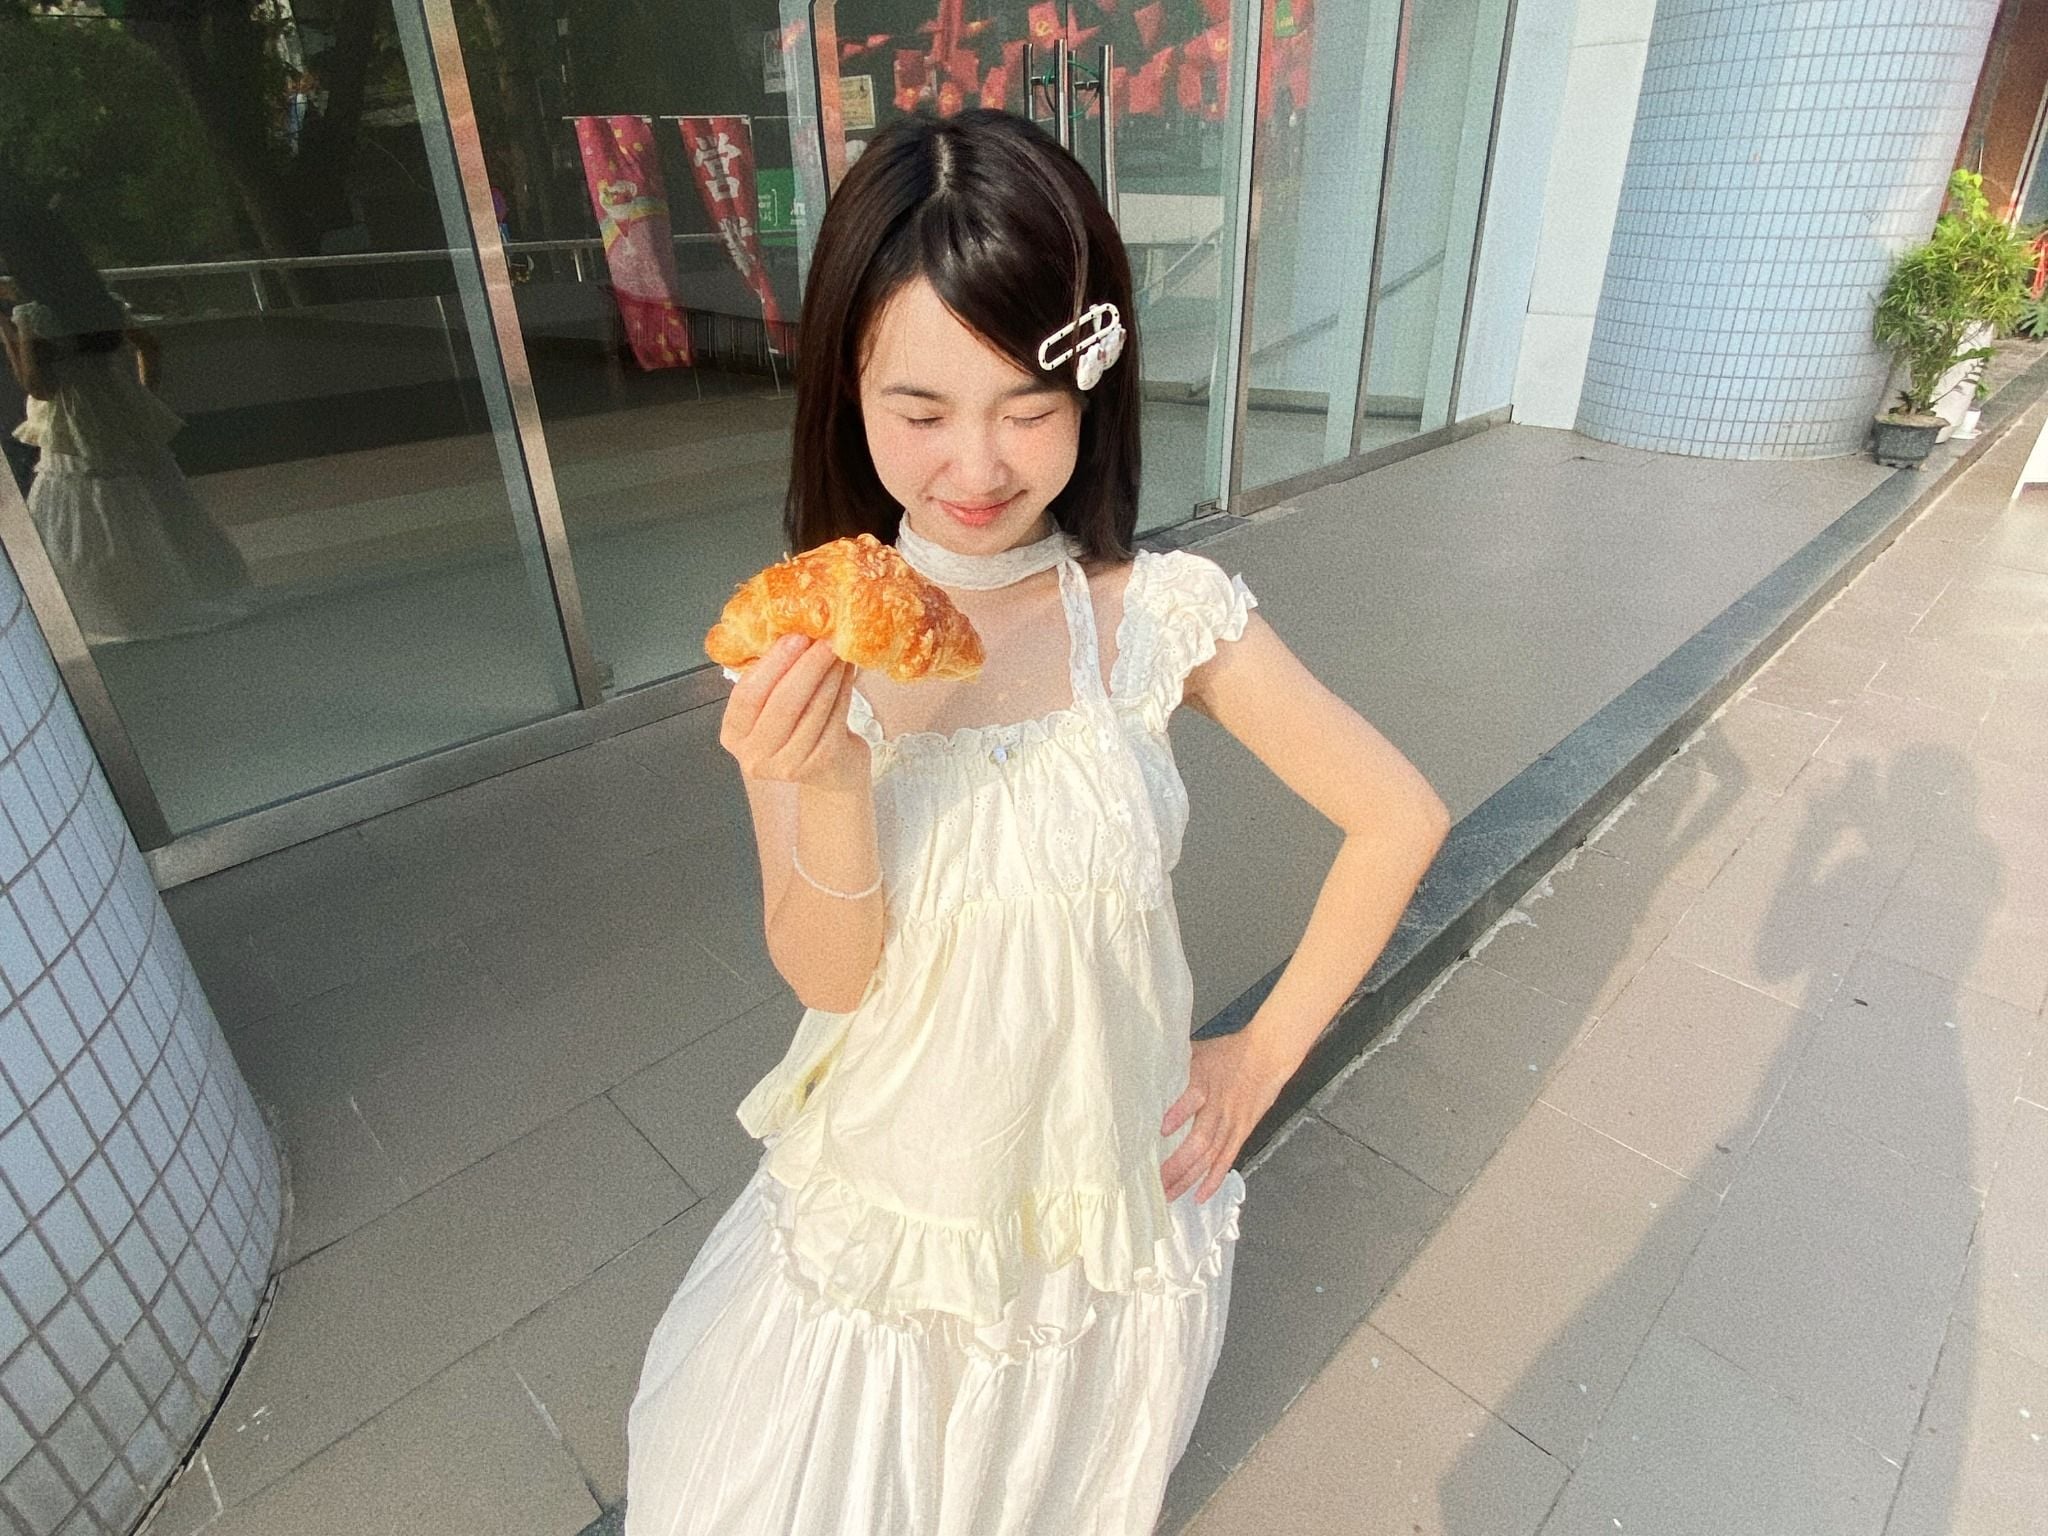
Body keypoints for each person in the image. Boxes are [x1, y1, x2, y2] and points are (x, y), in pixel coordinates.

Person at [624, 109, 1450, 1535]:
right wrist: (828, 778)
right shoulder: (810, 636)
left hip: (1090, 1205)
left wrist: (1260, 1059)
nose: (977, 466)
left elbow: (1398, 815)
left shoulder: (1160, 614)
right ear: (845, 392)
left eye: (1027, 407)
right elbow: (830, 977)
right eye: (921, 411)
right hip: (895, 1217)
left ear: (1093, 387)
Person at [0, 185, 252, 646]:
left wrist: (6, 328)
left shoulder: (33, 314)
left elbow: (38, 386)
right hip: (117, 411)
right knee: (153, 494)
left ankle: (119, 604)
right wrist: (138, 396)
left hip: (75, 423)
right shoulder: (98, 302)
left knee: (84, 510)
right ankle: (193, 586)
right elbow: (149, 346)